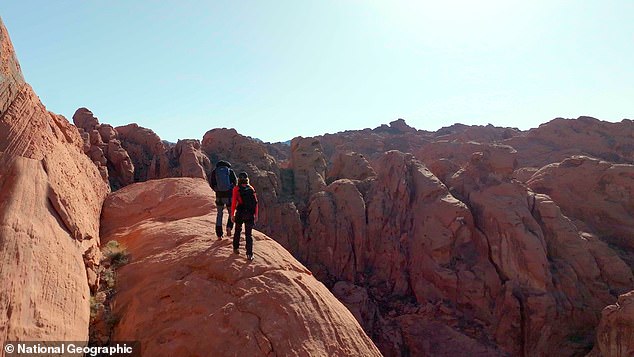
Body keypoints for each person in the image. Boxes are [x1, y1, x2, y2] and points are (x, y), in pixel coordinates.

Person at [231, 172, 259, 261]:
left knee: (237, 231)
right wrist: (256, 215)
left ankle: (236, 248)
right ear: (247, 179)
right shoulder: (251, 188)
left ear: (238, 179)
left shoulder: (236, 189)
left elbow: (234, 202)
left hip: (240, 212)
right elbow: (256, 203)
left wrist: (232, 214)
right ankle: (249, 254)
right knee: (248, 234)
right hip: (249, 214)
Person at [209, 160, 237, 239]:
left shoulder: (215, 172)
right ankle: (229, 227)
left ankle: (219, 235)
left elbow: (212, 184)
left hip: (219, 197)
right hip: (229, 196)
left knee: (219, 214)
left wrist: (217, 190)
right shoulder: (230, 171)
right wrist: (230, 189)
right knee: (231, 213)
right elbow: (235, 182)